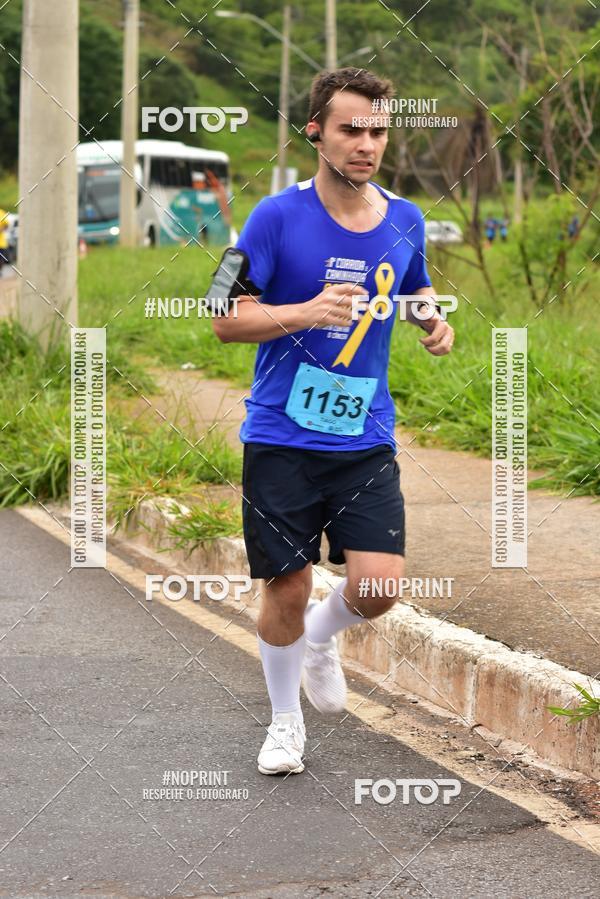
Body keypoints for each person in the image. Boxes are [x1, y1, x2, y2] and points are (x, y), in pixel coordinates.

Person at [211, 67, 454, 775]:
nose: (366, 144)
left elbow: (413, 282)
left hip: (364, 434)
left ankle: (322, 638)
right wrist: (306, 311)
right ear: (315, 130)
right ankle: (285, 722)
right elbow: (223, 316)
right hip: (280, 435)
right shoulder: (273, 217)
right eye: (351, 129)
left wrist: (430, 319)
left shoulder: (405, 217)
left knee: (378, 587)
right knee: (285, 583)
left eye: (378, 131)